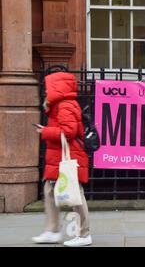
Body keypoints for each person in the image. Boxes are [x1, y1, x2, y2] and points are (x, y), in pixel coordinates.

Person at [32, 71, 92, 247]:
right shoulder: (60, 105)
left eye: (48, 87)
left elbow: (69, 132)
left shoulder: (66, 105)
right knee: (50, 191)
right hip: (60, 157)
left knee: (75, 195)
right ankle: (52, 231)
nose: (46, 90)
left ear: (57, 87)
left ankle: (84, 234)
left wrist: (45, 131)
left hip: (69, 157)